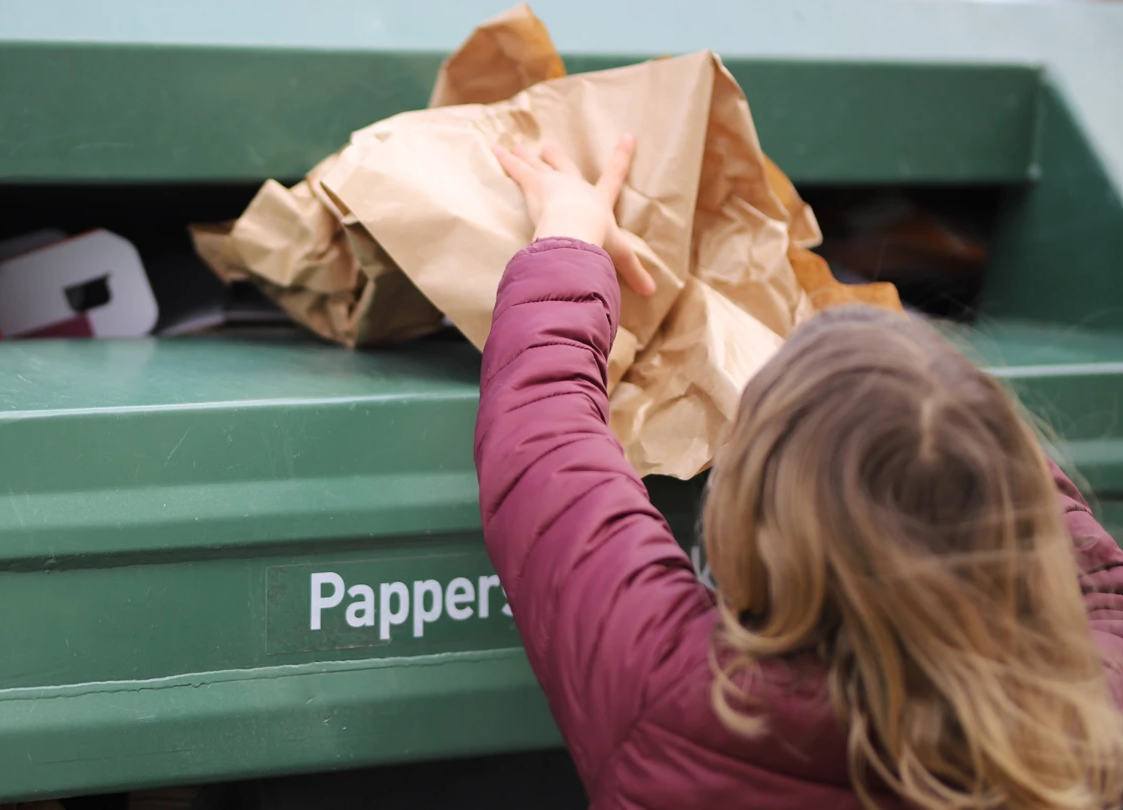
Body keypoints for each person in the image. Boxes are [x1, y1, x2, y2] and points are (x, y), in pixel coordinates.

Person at [478, 135, 1123, 810]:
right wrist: (933, 400)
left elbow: (544, 437)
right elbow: (1098, 583)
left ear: (747, 526)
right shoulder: (1087, 713)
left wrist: (568, 240)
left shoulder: (676, 694)